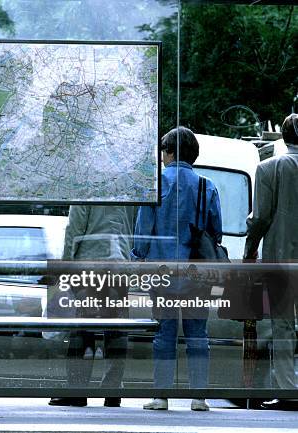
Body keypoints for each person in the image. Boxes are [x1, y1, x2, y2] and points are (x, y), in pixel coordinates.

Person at [132, 127, 222, 411]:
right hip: (198, 272)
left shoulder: (156, 183)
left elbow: (144, 230)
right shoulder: (207, 186)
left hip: (164, 270)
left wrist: (138, 257)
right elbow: (215, 232)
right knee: (198, 334)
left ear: (170, 151)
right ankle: (199, 397)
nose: (161, 156)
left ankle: (161, 396)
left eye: (163, 150)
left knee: (164, 333)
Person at [48, 205, 134, 408]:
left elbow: (74, 229)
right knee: (116, 331)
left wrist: (66, 266)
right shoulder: (128, 188)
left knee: (82, 329)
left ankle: (78, 391)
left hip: (89, 267)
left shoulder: (88, 187)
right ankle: (113, 391)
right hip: (120, 266)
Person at [243, 113, 298, 411]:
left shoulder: (269, 168)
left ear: (284, 138)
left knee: (283, 326)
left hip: (281, 259)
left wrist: (249, 251)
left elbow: (260, 218)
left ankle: (288, 389)